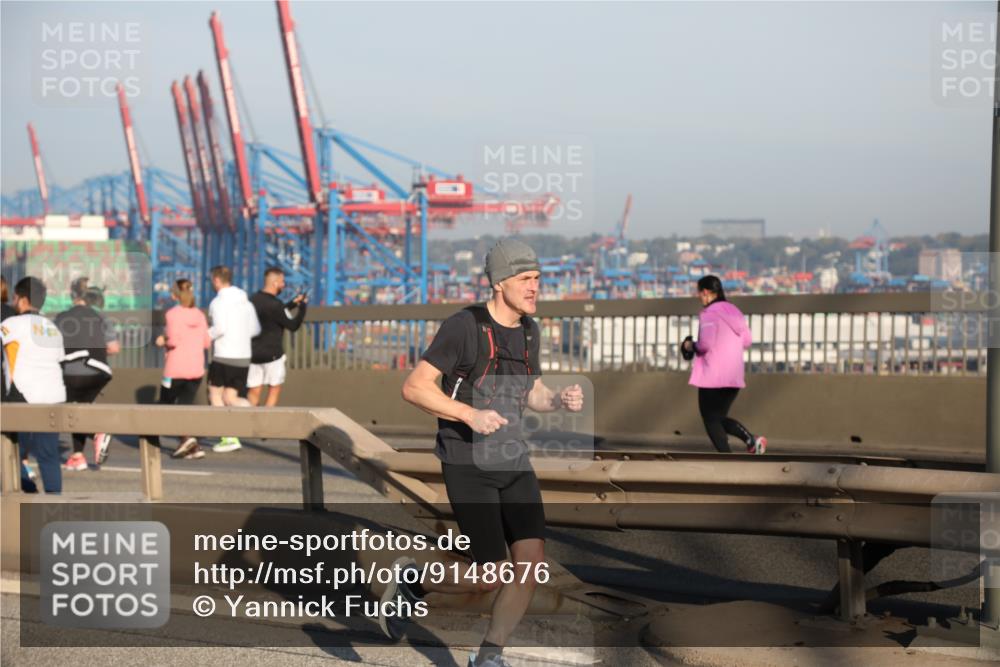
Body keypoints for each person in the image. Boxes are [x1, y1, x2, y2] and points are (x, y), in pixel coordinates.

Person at [395, 238, 584, 667]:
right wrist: (468, 415)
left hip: (514, 459)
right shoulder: (464, 326)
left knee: (530, 563)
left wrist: (558, 401)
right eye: (525, 279)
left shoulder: (530, 330)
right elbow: (415, 387)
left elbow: (530, 389)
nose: (535, 287)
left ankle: (490, 656)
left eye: (537, 278)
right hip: (467, 462)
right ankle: (415, 581)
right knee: (488, 577)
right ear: (500, 283)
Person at [681, 275, 766, 455]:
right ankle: (750, 440)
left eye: (699, 293)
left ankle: (727, 458)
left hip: (713, 376)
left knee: (710, 420)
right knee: (718, 418)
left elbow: (705, 344)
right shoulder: (734, 311)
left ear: (705, 292)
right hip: (733, 376)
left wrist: (690, 345)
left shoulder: (709, 314)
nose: (698, 297)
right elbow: (747, 341)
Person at [1, 277, 66, 494]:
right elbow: (60, 358)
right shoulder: (52, 327)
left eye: (15, 298)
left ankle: (27, 491)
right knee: (48, 455)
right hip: (54, 397)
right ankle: (54, 503)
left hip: (24, 396)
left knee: (12, 453)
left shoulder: (13, 324)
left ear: (22, 300)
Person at [55, 277, 119, 470]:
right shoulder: (102, 317)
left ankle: (96, 433)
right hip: (99, 372)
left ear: (72, 295)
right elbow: (114, 348)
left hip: (71, 372)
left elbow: (54, 346)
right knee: (80, 407)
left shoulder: (61, 318)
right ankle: (77, 456)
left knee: (66, 410)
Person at [155, 279, 211, 459]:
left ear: (174, 295)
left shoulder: (172, 314)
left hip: (174, 370)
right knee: (185, 406)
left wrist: (162, 340)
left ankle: (174, 440)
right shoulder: (200, 315)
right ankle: (190, 444)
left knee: (165, 405)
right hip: (196, 369)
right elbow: (206, 342)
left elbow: (173, 340)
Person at [206, 265, 260, 453]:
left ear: (216, 280)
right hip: (243, 356)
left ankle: (228, 437)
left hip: (223, 355)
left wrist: (205, 335)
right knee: (231, 397)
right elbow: (255, 329)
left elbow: (219, 328)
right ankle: (254, 412)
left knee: (214, 394)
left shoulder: (217, 303)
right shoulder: (246, 302)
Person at [247, 267, 307, 407]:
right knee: (274, 390)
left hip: (253, 354)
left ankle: (247, 424)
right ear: (275, 283)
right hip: (273, 355)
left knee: (254, 391)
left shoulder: (253, 300)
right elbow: (293, 325)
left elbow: (273, 312)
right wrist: (302, 308)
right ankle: (265, 425)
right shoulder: (276, 304)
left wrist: (292, 303)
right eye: (282, 282)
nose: (284, 285)